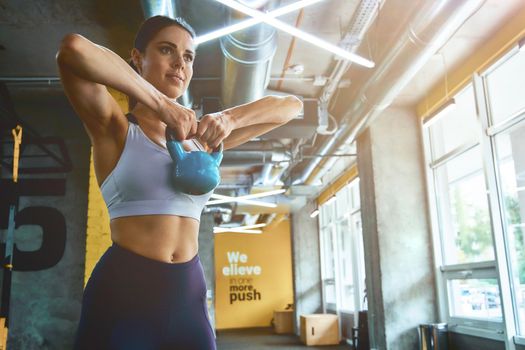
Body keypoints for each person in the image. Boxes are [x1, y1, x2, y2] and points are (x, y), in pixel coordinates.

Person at [56, 15, 302, 350]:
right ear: (138, 57)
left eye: (188, 56)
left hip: (188, 294)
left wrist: (229, 118)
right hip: (124, 294)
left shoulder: (200, 142)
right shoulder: (114, 128)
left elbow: (290, 106)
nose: (179, 64)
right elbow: (73, 50)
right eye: (167, 50)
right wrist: (162, 104)